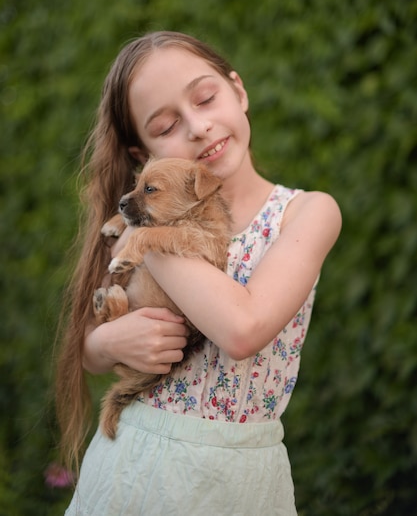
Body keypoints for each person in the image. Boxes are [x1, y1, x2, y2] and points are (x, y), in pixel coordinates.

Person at [57, 30, 342, 515]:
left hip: (234, 481)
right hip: (128, 465)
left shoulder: (305, 213)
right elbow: (85, 344)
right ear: (143, 157)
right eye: (166, 126)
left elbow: (243, 328)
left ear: (239, 90)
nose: (198, 127)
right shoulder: (136, 219)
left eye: (206, 97)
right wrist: (107, 343)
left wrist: (144, 236)